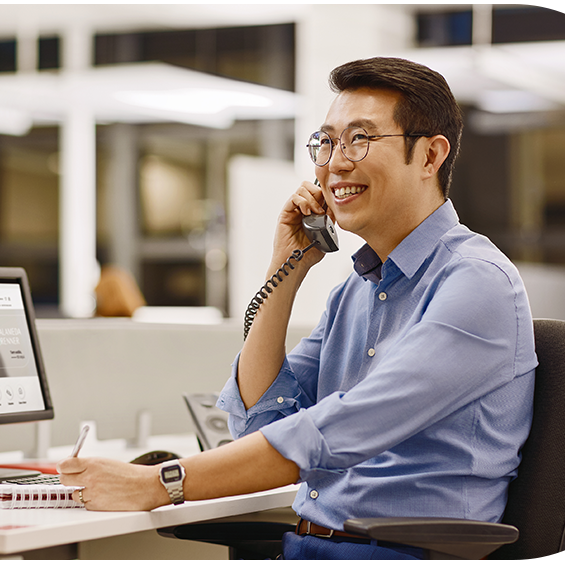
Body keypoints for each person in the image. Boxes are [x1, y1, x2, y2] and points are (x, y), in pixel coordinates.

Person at [58, 57, 537, 560]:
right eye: (326, 142)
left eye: (360, 139)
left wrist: (160, 483)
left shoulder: (477, 283)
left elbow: (335, 434)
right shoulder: (356, 292)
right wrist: (283, 271)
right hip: (310, 545)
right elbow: (260, 424)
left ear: (429, 156)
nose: (334, 163)